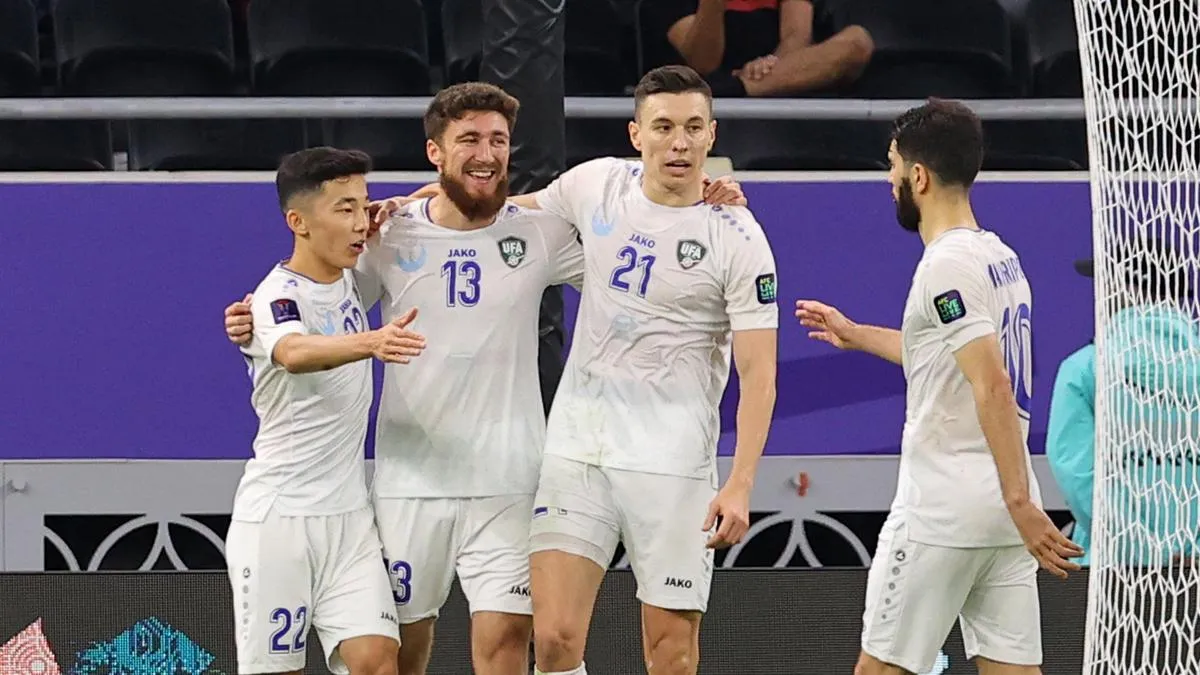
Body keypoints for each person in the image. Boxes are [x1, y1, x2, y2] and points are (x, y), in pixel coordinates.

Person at [223, 82, 749, 675]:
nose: (487, 152)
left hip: (509, 480)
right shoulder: (387, 235)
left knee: (504, 648)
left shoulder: (541, 234)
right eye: (469, 138)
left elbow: (629, 262)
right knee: (398, 652)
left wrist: (698, 205)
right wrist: (254, 321)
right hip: (409, 481)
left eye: (498, 140)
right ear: (435, 152)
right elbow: (325, 300)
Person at [482, 64, 777, 675]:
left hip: (674, 467)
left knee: (669, 653)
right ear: (635, 134)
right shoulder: (596, 185)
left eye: (694, 127)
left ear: (712, 135)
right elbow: (501, 216)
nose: (680, 142)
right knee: (557, 638)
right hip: (579, 450)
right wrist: (418, 204)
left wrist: (742, 481)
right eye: (664, 126)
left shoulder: (739, 238)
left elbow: (759, 374)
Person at [794, 99, 1085, 675]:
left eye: (892, 166)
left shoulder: (944, 266)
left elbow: (992, 385)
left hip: (944, 512)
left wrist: (1023, 503)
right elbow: (948, 359)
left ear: (918, 177)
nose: (890, 180)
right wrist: (857, 336)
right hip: (1000, 517)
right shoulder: (1001, 257)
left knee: (879, 670)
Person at [226, 147, 424, 675]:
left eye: (363, 206)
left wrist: (398, 204)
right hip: (280, 522)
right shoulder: (274, 298)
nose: (361, 223)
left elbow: (429, 201)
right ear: (299, 222)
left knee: (378, 660)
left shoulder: (350, 279)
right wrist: (372, 342)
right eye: (343, 209)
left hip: (349, 521)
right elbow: (292, 354)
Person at [1047, 251, 1200, 568]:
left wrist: (1143, 555)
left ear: (1124, 289)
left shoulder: (1084, 368)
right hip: (1193, 569)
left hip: (1112, 577)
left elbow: (1078, 476)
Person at [646, 0, 873, 97]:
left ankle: (741, 87)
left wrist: (771, 63)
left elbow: (797, 37)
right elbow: (703, 61)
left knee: (857, 41)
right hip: (709, 93)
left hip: (782, 77)